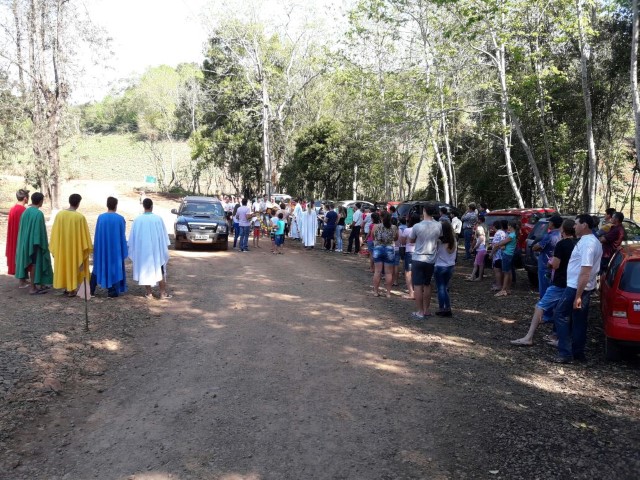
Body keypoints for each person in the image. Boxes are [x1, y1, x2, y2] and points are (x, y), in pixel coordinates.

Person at [511, 219, 577, 346]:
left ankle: (529, 337)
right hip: (572, 282)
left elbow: (556, 264)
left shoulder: (562, 244)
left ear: (563, 229)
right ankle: (560, 338)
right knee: (563, 311)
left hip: (560, 281)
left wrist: (550, 264)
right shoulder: (576, 243)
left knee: (540, 306)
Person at [552, 214, 602, 363]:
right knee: (579, 320)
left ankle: (565, 353)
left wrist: (578, 296)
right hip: (581, 287)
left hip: (576, 288)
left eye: (576, 223)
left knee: (560, 314)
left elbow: (586, 271)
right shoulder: (590, 241)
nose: (574, 226)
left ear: (584, 225)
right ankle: (578, 353)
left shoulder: (588, 243)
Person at [50, 194, 93, 297]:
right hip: (75, 249)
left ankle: (67, 287)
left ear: (69, 202)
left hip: (62, 247)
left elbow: (54, 233)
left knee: (65, 264)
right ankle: (71, 289)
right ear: (78, 203)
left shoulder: (60, 215)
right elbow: (84, 237)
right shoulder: (80, 217)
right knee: (73, 265)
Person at [128, 198, 171, 299]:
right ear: (152, 206)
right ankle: (162, 293)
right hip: (156, 251)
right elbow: (163, 236)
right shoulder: (158, 219)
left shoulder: (137, 220)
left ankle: (149, 293)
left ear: (143, 206)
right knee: (160, 270)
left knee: (144, 270)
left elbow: (133, 237)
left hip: (143, 251)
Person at [14, 192, 53, 294]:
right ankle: (33, 288)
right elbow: (39, 232)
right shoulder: (38, 214)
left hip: (25, 242)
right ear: (40, 201)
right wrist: (41, 244)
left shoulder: (25, 212)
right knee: (35, 264)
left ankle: (40, 284)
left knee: (33, 264)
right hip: (34, 243)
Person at [90, 196, 128, 298]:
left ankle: (91, 290)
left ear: (107, 205)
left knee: (98, 266)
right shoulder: (120, 219)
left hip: (102, 248)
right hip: (115, 248)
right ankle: (112, 292)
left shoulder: (101, 217)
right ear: (116, 205)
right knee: (115, 267)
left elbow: (97, 234)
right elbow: (122, 235)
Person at [409, 205, 443, 318]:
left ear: (424, 211)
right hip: (431, 259)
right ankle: (426, 310)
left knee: (418, 285)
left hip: (418, 258)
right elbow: (439, 238)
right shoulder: (438, 225)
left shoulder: (417, 226)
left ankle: (420, 311)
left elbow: (411, 240)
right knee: (427, 284)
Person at [532, 215, 563, 299]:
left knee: (544, 289)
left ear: (552, 223)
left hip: (545, 265)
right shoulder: (561, 235)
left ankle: (544, 306)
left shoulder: (549, 236)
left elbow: (536, 247)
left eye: (549, 222)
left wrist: (536, 246)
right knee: (554, 290)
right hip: (557, 265)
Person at [371, 211, 398, 298]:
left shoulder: (376, 226)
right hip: (389, 249)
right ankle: (388, 293)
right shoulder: (393, 227)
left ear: (381, 217)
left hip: (378, 248)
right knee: (389, 273)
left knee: (377, 271)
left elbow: (372, 236)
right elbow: (396, 238)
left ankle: (376, 291)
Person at [6, 189, 30, 287]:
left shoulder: (12, 209)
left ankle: (23, 279)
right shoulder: (23, 210)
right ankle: (22, 281)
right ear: (25, 198)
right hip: (20, 237)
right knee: (22, 256)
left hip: (13, 236)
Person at [434, 221, 457, 317]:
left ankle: (443, 308)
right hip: (450, 266)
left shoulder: (439, 241)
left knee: (441, 288)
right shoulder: (454, 240)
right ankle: (447, 307)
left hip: (440, 265)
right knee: (444, 288)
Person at [494, 221, 517, 297]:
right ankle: (508, 289)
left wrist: (497, 244)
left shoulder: (511, 235)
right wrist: (502, 245)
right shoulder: (513, 234)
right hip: (509, 254)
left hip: (507, 254)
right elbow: (503, 244)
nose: (507, 227)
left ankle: (503, 290)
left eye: (508, 226)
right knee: (509, 272)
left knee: (506, 272)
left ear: (510, 226)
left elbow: (502, 243)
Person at [599, 212, 625, 277]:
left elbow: (602, 239)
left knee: (601, 273)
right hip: (607, 253)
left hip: (607, 254)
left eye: (612, 217)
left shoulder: (617, 230)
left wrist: (602, 237)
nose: (611, 219)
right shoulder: (614, 227)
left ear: (617, 219)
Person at [468, 214, 487, 281]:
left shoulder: (481, 236)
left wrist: (473, 248)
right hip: (479, 251)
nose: (476, 230)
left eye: (477, 229)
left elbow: (478, 244)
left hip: (481, 251)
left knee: (480, 264)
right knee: (476, 264)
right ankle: (472, 277)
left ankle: (479, 277)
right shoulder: (479, 236)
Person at [489, 220, 506, 292]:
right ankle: (501, 284)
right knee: (502, 271)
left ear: (495, 226)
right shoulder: (503, 233)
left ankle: (498, 285)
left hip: (498, 255)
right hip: (503, 254)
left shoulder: (497, 234)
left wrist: (491, 253)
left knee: (497, 270)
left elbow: (496, 245)